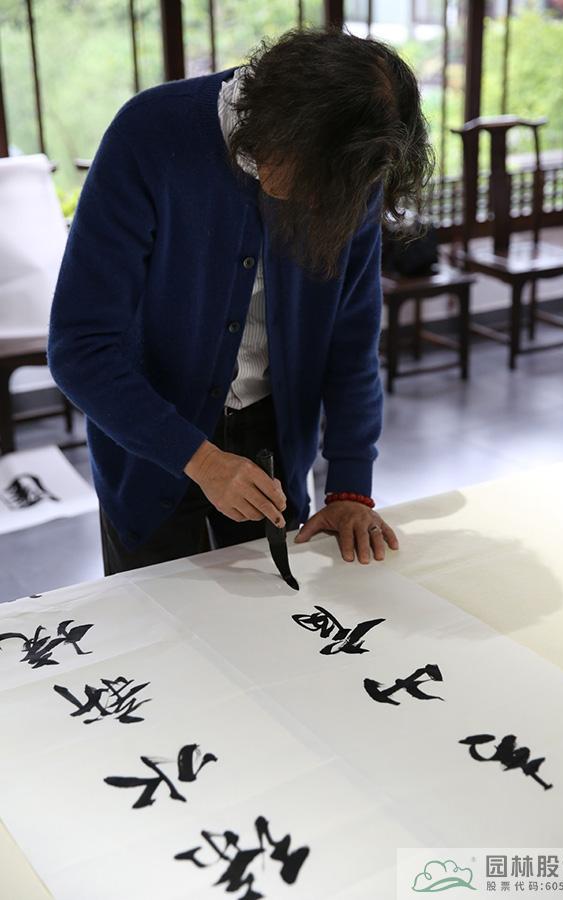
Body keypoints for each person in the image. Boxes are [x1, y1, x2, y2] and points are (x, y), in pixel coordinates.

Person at [47, 25, 434, 576]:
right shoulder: (151, 134)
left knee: (272, 617)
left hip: (273, 441)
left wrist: (350, 487)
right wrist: (201, 460)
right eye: (318, 183)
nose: (322, 204)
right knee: (155, 617)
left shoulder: (350, 165)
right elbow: (78, 347)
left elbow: (350, 344)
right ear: (279, 130)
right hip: (147, 436)